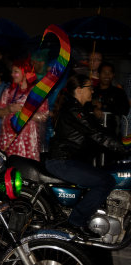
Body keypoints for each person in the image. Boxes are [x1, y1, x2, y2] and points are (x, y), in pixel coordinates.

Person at [45, 74, 128, 236]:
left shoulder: (77, 108)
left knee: (105, 173)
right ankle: (76, 221)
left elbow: (100, 130)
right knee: (106, 181)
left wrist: (123, 141)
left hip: (68, 159)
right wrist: (123, 148)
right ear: (79, 90)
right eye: (90, 87)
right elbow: (96, 134)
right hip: (62, 161)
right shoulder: (73, 110)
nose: (92, 91)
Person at [0, 58, 48, 161]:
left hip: (27, 141)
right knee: (8, 170)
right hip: (8, 139)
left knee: (25, 170)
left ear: (25, 73)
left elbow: (44, 116)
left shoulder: (37, 92)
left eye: (16, 72)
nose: (12, 74)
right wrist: (9, 109)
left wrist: (24, 111)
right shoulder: (9, 91)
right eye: (12, 71)